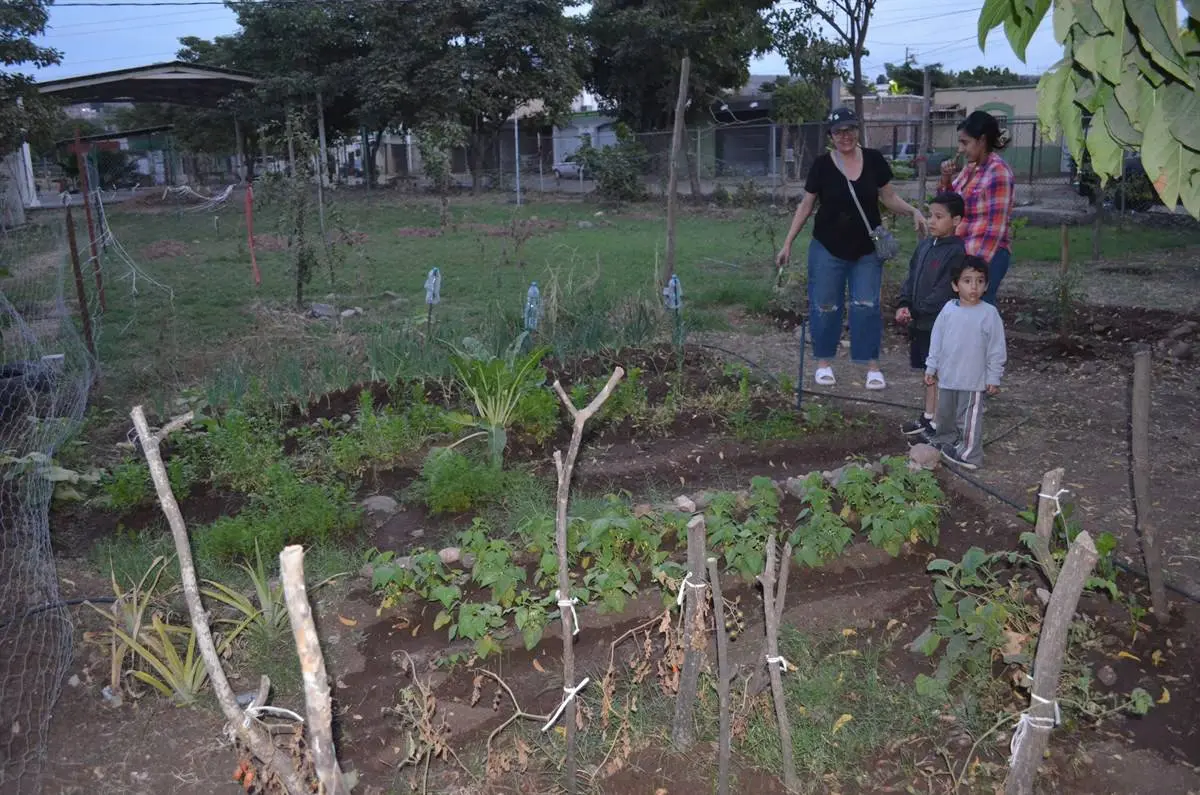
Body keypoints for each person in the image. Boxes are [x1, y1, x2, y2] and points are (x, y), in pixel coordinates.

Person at [776, 107, 927, 391]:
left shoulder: (874, 160)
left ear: (857, 130)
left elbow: (890, 198)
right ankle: (823, 363)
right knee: (825, 305)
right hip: (827, 247)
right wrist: (787, 243)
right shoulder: (821, 165)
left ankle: (871, 365)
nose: (844, 136)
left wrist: (913, 211)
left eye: (849, 130)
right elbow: (806, 206)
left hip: (866, 250)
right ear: (830, 136)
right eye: (838, 131)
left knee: (866, 305)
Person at [924, 256, 1007, 470]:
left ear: (986, 285)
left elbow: (996, 349)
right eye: (967, 281)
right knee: (945, 416)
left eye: (980, 281)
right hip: (948, 377)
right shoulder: (948, 310)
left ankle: (969, 454)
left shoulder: (989, 314)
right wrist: (931, 367)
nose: (974, 287)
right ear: (955, 285)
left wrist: (993, 377)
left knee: (968, 420)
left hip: (973, 380)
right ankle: (945, 441)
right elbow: (937, 340)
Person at [895, 191, 966, 440]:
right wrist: (904, 303)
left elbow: (943, 291)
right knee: (928, 369)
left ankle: (939, 423)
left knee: (938, 372)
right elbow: (911, 277)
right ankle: (927, 417)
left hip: (940, 325)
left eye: (939, 216)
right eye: (930, 215)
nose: (932, 221)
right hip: (920, 322)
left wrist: (916, 310)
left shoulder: (957, 253)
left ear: (956, 221)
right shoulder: (925, 246)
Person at [939, 110, 1015, 305]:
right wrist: (946, 179)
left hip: (987, 256)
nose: (960, 149)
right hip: (965, 254)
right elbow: (948, 206)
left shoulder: (998, 173)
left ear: (981, 140)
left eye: (965, 142)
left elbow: (993, 231)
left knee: (978, 312)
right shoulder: (970, 169)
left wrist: (973, 269)